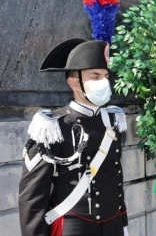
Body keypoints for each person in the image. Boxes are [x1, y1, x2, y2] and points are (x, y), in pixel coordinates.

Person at [18, 39, 129, 236]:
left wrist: (123, 223)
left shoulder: (113, 121)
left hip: (113, 225)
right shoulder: (52, 127)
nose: (103, 82)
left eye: (105, 76)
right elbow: (33, 197)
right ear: (74, 83)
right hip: (74, 225)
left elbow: (115, 181)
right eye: (94, 76)